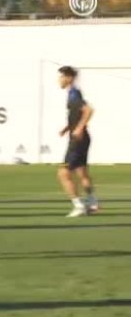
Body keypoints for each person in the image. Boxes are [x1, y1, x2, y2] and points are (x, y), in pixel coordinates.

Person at [57, 66, 98, 218]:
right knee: (82, 172)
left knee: (63, 173)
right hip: (83, 137)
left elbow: (88, 110)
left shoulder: (74, 93)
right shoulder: (73, 93)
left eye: (61, 77)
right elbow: (77, 114)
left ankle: (78, 205)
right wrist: (68, 128)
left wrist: (79, 129)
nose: (59, 80)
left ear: (68, 78)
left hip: (78, 139)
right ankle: (93, 203)